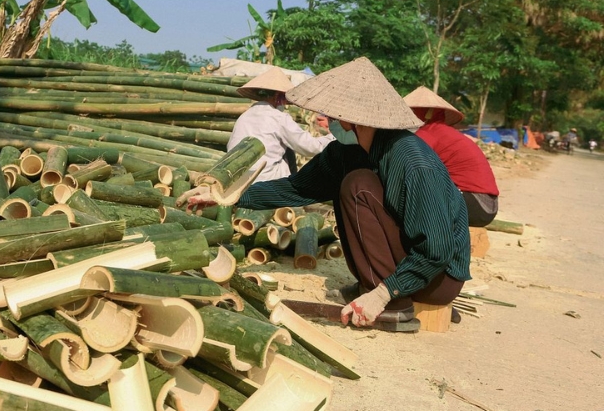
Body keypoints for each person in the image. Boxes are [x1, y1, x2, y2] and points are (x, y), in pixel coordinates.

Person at [179, 57, 471, 330]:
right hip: (412, 265)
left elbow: (437, 250)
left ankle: (395, 303)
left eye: (331, 115)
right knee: (352, 182)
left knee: (357, 185)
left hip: (438, 277)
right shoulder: (345, 153)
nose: (328, 121)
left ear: (350, 119)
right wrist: (227, 195)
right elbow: (296, 187)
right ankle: (374, 284)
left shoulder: (412, 161)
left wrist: (385, 293)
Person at [403, 86, 499, 228]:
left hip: (477, 204)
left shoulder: (429, 133)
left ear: (427, 113)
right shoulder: (441, 131)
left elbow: (408, 165)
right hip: (488, 205)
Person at [228, 67, 334, 182]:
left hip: (237, 182)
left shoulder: (243, 117)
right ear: (277, 96)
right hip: (266, 182)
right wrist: (334, 137)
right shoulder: (278, 118)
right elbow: (311, 147)